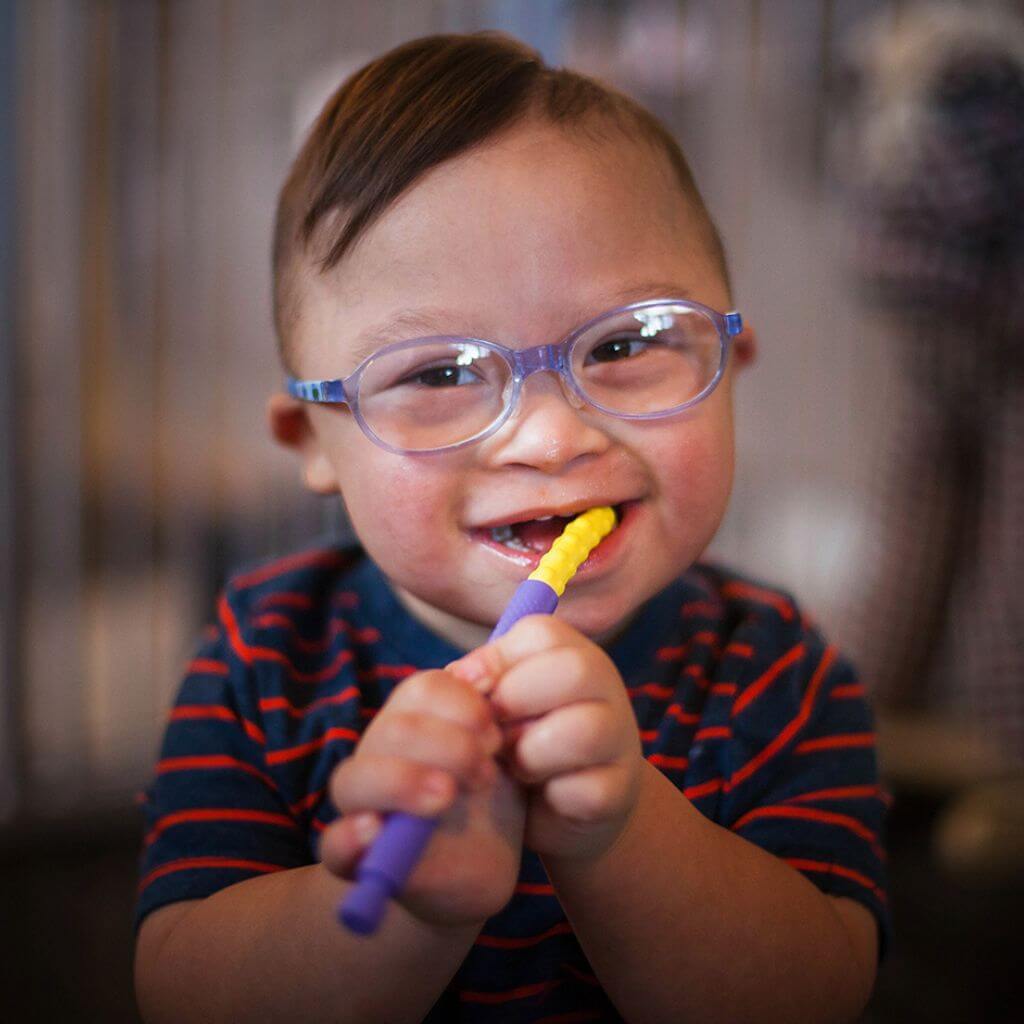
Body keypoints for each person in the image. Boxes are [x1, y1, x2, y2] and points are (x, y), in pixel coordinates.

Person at [133, 33, 887, 1023]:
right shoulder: (262, 655)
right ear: (310, 439)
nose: (549, 434)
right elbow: (179, 990)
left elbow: (821, 991)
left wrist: (621, 833)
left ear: (729, 365)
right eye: (437, 374)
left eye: (626, 343)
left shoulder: (774, 669)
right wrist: (405, 911)